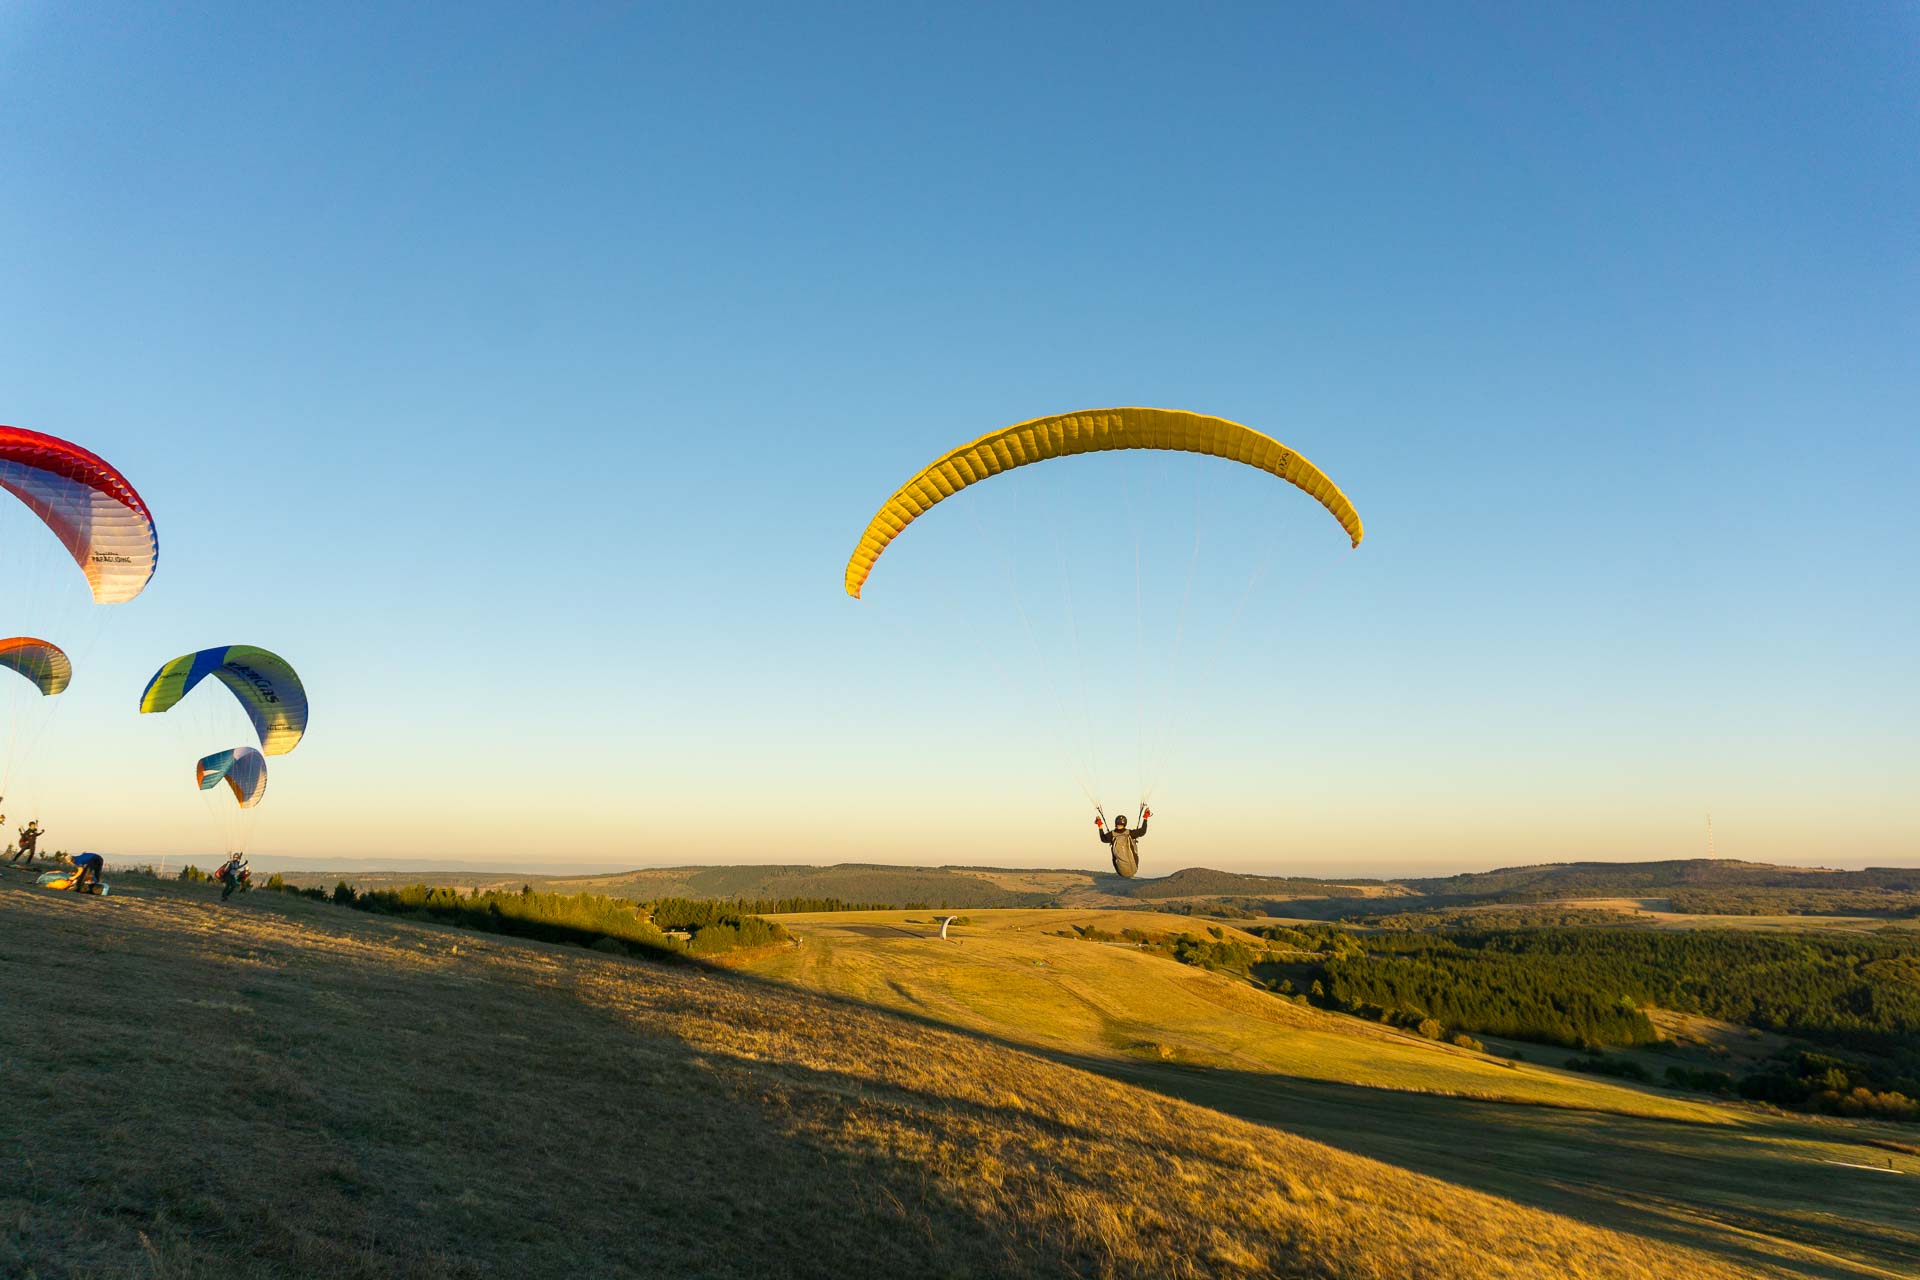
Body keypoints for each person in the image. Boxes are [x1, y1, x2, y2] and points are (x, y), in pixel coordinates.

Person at [1095, 807, 1151, 878]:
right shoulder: (1130, 833)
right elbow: (1143, 831)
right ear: (1125, 823)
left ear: (1116, 823)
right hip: (1134, 868)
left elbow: (1103, 839)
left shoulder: (1111, 835)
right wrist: (1146, 817)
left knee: (1115, 858)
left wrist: (1099, 825)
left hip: (1121, 871)